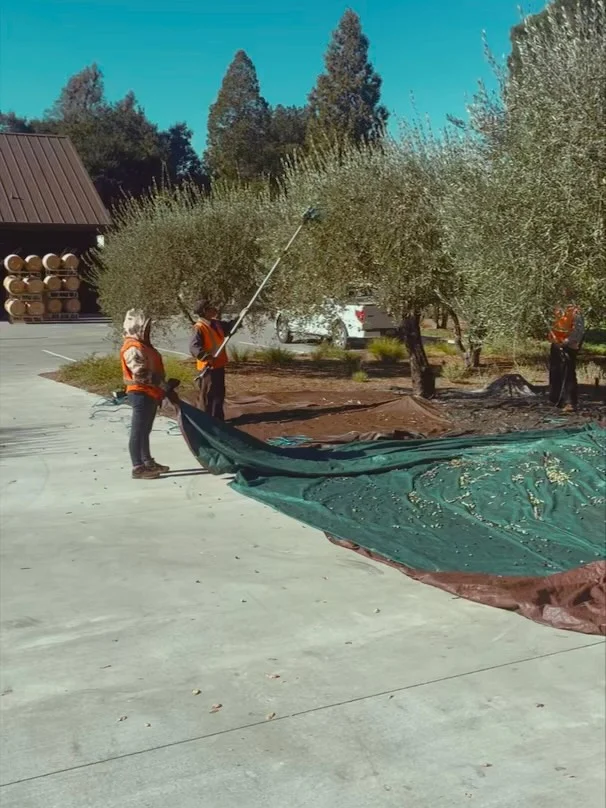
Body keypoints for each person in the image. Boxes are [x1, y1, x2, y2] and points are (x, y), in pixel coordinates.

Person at [120, 309, 171, 480]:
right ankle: (138, 467)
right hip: (140, 394)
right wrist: (164, 385)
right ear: (137, 328)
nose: (148, 332)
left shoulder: (142, 345)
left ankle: (147, 461)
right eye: (146, 328)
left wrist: (162, 387)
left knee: (145, 430)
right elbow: (140, 374)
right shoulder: (133, 348)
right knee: (138, 431)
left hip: (150, 393)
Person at [189, 300, 237, 420]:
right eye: (211, 308)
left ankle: (218, 419)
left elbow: (230, 327)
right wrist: (207, 357)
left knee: (219, 394)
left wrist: (241, 316)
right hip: (208, 367)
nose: (214, 309)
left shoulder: (216, 324)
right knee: (208, 395)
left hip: (219, 365)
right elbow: (194, 347)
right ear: (205, 311)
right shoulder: (199, 327)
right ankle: (206, 420)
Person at [548, 297, 585, 412]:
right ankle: (556, 400)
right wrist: (554, 340)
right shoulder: (558, 310)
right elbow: (554, 326)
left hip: (568, 346)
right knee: (555, 372)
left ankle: (570, 402)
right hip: (556, 345)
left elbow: (578, 330)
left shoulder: (575, 311)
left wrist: (567, 342)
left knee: (568, 374)